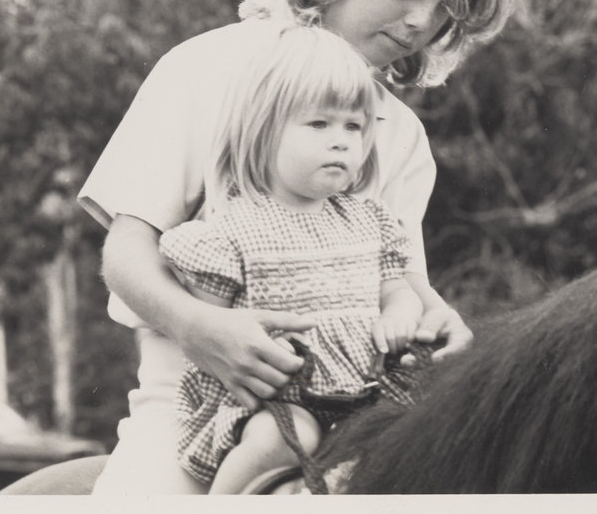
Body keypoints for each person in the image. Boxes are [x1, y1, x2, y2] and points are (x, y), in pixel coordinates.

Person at [80, 0, 520, 493]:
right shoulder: (204, 69)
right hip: (192, 405)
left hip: (358, 408)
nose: (422, 21)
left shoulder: (400, 136)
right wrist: (199, 327)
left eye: (445, 8)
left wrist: (439, 322)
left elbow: (398, 283)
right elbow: (126, 250)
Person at [163, 27, 422, 492]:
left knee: (411, 441)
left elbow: (397, 287)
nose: (341, 141)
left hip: (366, 388)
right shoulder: (234, 229)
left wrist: (400, 314)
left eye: (353, 127)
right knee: (284, 439)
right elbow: (208, 324)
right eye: (319, 125)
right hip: (279, 395)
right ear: (264, 132)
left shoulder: (369, 220)